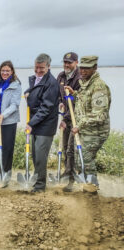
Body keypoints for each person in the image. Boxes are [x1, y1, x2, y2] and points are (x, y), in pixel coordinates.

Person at [65, 55, 111, 193]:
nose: (83, 71)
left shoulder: (99, 86)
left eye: (87, 68)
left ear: (95, 68)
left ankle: (92, 189)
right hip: (83, 130)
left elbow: (100, 114)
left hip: (95, 131)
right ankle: (88, 186)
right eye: (82, 68)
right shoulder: (85, 84)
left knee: (85, 158)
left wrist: (80, 124)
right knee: (79, 159)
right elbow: (85, 100)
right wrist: (75, 94)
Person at [24, 53, 59, 192]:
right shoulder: (36, 79)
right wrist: (28, 92)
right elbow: (35, 91)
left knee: (40, 155)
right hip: (36, 123)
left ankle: (40, 186)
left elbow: (45, 108)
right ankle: (36, 179)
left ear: (48, 67)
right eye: (36, 67)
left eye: (42, 68)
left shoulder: (51, 83)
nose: (38, 70)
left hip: (45, 125)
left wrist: (31, 123)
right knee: (34, 154)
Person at [0, 60, 21, 183]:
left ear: (12, 71)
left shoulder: (16, 85)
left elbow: (14, 105)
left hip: (8, 121)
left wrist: (3, 115)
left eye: (7, 70)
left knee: (7, 148)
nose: (5, 73)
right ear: (0, 71)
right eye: (3, 70)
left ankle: (6, 174)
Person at [56, 52, 81, 192]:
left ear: (76, 63)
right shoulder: (61, 76)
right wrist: (60, 102)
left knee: (71, 149)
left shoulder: (79, 78)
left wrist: (66, 118)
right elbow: (58, 95)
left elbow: (81, 101)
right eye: (65, 62)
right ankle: (67, 172)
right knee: (65, 147)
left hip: (76, 119)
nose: (66, 65)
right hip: (65, 117)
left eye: (69, 62)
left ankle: (71, 179)